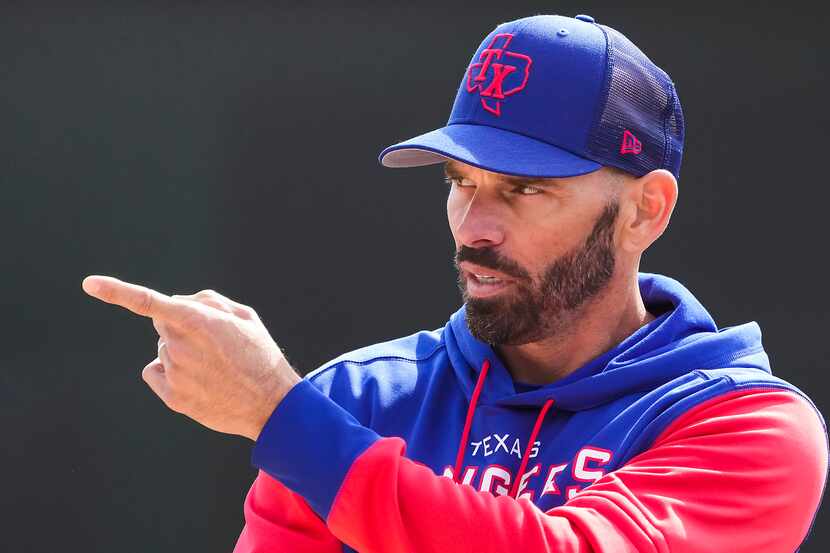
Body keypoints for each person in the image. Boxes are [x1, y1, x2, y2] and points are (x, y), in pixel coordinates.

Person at [82, 14, 828, 553]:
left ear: (645, 209)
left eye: (525, 189)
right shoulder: (354, 401)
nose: (474, 224)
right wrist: (299, 420)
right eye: (459, 180)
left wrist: (284, 418)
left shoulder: (750, 430)